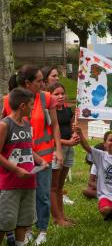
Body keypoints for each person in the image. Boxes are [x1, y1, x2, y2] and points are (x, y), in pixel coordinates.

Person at [3, 65, 63, 245]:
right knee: (18, 197)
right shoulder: (9, 100)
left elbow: (54, 126)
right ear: (27, 83)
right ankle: (24, 230)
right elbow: (5, 127)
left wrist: (58, 149)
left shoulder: (47, 98)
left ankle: (42, 230)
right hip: (17, 161)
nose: (43, 84)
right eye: (39, 81)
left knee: (42, 195)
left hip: (41, 158)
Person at [0, 88, 48, 246]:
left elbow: (27, 149)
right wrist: (16, 170)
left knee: (23, 222)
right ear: (22, 106)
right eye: (31, 105)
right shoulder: (4, 125)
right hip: (9, 184)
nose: (33, 108)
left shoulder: (27, 124)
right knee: (4, 222)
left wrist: (40, 161)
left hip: (28, 183)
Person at [47, 83, 80, 226]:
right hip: (56, 150)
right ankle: (57, 218)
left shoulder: (68, 110)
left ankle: (61, 216)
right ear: (50, 95)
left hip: (68, 150)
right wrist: (67, 142)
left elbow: (72, 127)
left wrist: (75, 135)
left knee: (60, 186)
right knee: (53, 187)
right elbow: (50, 136)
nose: (60, 96)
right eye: (56, 94)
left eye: (62, 93)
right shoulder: (49, 111)